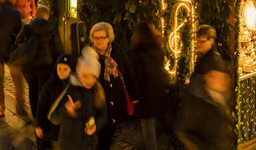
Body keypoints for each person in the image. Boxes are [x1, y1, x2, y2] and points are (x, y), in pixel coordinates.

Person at [89, 22, 136, 150]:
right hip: (98, 104)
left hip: (116, 102)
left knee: (110, 135)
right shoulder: (88, 55)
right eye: (95, 37)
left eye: (101, 37)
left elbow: (129, 74)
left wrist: (134, 96)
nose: (98, 41)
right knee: (98, 137)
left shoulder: (117, 52)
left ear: (108, 38)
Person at [49, 47, 107, 150]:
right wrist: (66, 111)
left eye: (93, 76)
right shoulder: (70, 91)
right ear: (79, 74)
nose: (89, 80)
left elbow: (103, 115)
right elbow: (54, 118)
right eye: (85, 75)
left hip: (89, 145)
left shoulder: (98, 92)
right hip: (69, 145)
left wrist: (95, 127)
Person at [14, 5, 63, 117]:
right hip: (45, 65)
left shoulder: (27, 27)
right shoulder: (52, 28)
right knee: (43, 90)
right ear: (47, 15)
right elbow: (58, 48)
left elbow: (17, 42)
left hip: (29, 65)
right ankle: (43, 115)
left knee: (32, 89)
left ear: (37, 14)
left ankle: (35, 114)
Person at [175, 64, 235, 150]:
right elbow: (183, 132)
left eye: (225, 77)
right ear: (209, 78)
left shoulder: (221, 99)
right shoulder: (196, 103)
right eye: (220, 77)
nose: (225, 81)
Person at [130, 22, 169, 150]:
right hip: (158, 94)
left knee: (148, 129)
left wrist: (135, 96)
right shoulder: (158, 49)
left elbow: (137, 76)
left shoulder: (137, 53)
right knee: (153, 127)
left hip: (145, 96)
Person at [35, 53, 76, 150]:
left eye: (65, 69)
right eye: (59, 69)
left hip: (69, 131)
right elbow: (41, 106)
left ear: (72, 70)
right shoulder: (49, 85)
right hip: (53, 131)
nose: (61, 72)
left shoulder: (75, 87)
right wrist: (39, 124)